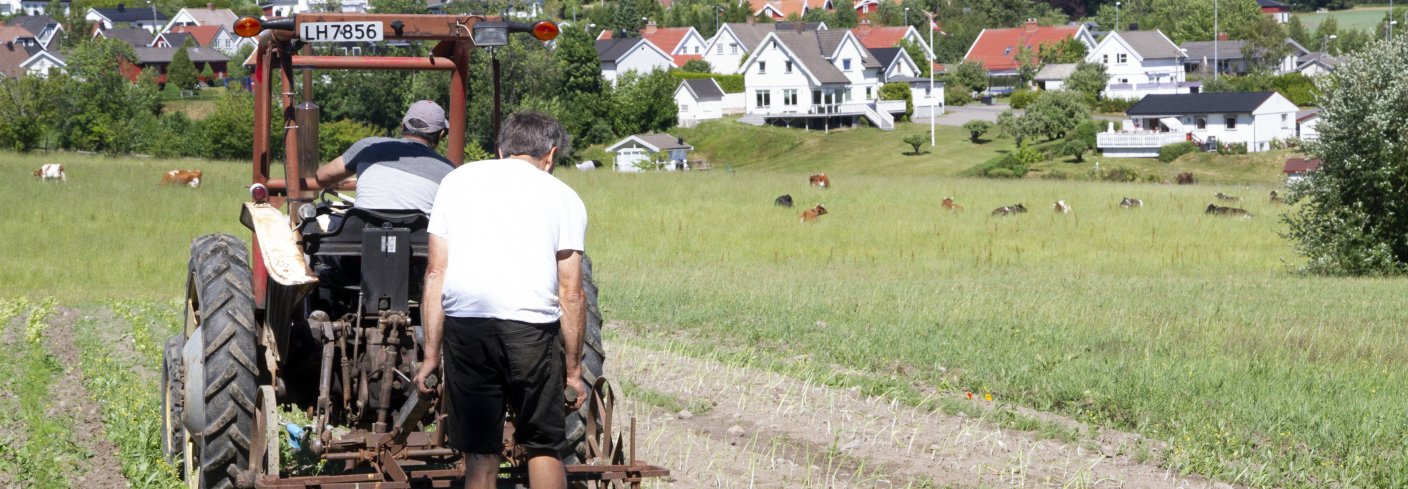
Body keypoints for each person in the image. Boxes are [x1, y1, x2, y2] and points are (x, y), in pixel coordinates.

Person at [414, 112, 588, 489]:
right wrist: (573, 371)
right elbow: (571, 293)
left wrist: (430, 356)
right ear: (551, 155)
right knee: (543, 445)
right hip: (532, 333)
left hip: (467, 329)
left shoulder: (456, 181)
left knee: (480, 451)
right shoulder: (564, 197)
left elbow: (435, 274)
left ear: (500, 149)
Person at [314, 100, 455, 213]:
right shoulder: (449, 171)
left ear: (402, 125)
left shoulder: (369, 146)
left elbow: (322, 177)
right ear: (441, 133)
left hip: (359, 239)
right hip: (419, 245)